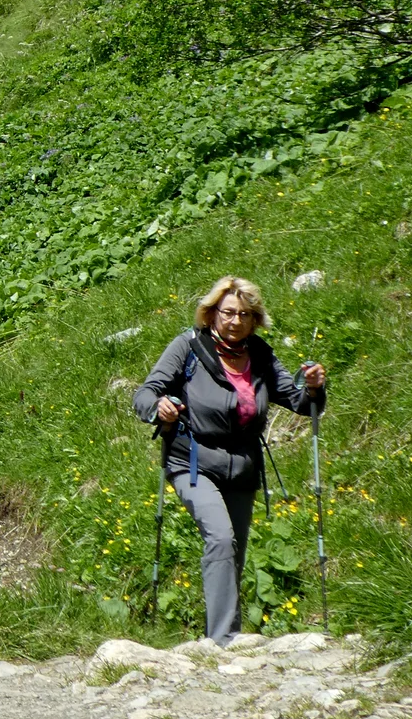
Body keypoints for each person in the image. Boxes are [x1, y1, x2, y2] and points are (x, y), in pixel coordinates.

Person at [134, 275, 327, 647]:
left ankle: (220, 635)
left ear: (254, 320)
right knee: (221, 538)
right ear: (211, 314)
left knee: (233, 550)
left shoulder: (260, 355)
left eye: (244, 314)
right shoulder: (188, 347)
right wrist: (160, 407)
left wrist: (314, 387)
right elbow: (145, 393)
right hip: (193, 462)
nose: (235, 321)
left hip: (243, 466)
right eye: (227, 313)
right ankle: (224, 641)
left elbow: (300, 402)